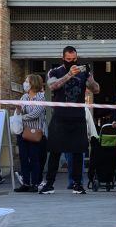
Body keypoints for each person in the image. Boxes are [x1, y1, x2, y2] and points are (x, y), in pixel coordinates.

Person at [39, 46, 99, 195]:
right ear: (63, 58)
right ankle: (49, 183)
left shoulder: (83, 71)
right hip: (60, 116)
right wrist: (69, 75)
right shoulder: (55, 71)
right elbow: (52, 86)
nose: (72, 62)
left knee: (78, 152)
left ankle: (78, 184)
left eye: (74, 59)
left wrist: (89, 78)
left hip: (78, 116)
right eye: (68, 59)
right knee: (54, 151)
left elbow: (96, 89)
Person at [14, 73, 47, 193]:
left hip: (36, 133)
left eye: (27, 81)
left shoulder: (41, 97)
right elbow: (20, 110)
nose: (25, 83)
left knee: (34, 158)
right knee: (23, 158)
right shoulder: (24, 97)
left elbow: (36, 114)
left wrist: (21, 117)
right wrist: (18, 109)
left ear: (33, 83)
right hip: (23, 133)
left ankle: (35, 183)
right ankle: (26, 183)